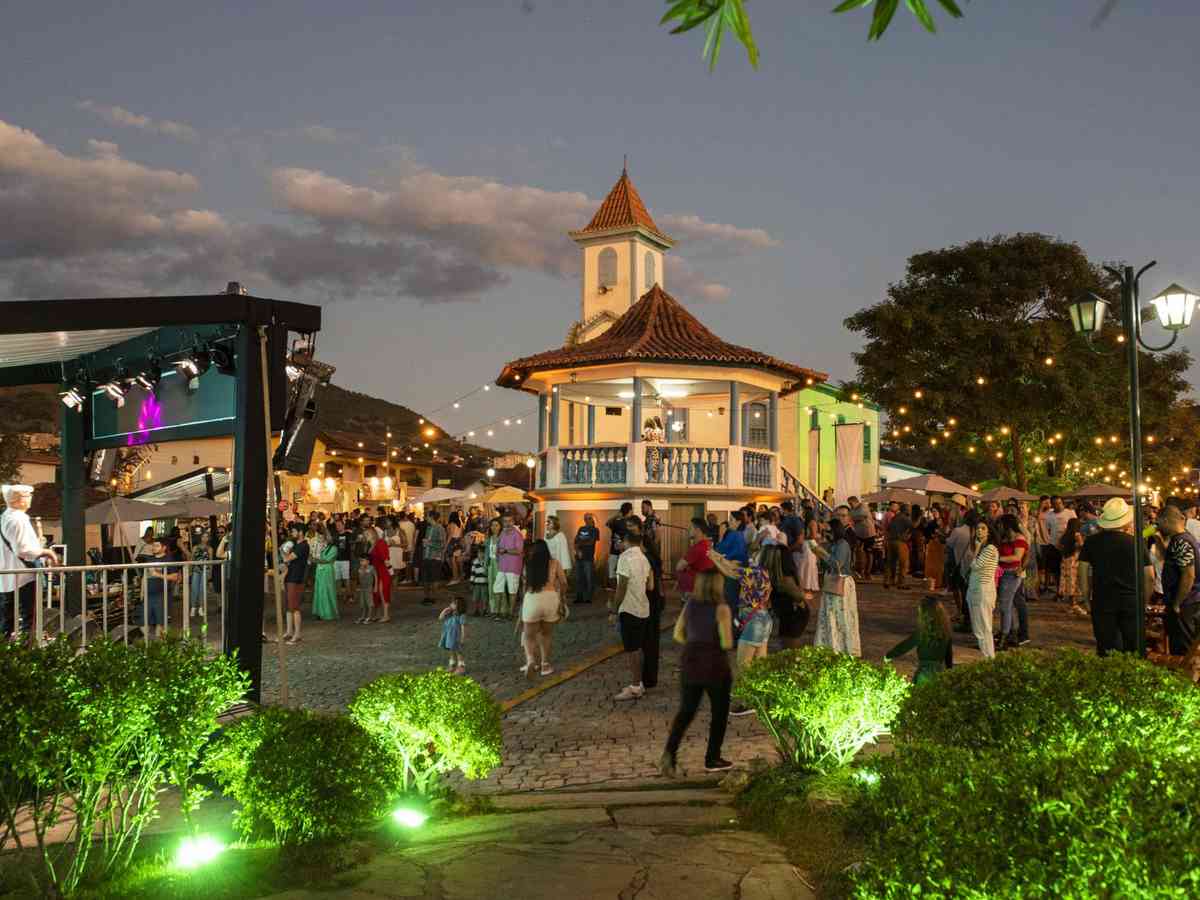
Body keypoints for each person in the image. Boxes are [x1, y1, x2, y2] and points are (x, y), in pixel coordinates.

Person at [660, 570, 735, 777]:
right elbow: (726, 642)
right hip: (714, 664)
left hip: (691, 660)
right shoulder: (721, 608)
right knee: (719, 713)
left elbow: (677, 634)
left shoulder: (690, 605)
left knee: (686, 711)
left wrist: (695, 643)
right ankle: (712, 757)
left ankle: (670, 752)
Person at [1078, 498, 1154, 657]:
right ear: (1126, 522)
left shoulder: (1091, 542)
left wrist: (1086, 599)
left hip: (1102, 599)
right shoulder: (1136, 543)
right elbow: (1150, 577)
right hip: (1132, 601)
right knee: (1133, 648)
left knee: (1107, 648)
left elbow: (1083, 573)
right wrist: (1144, 601)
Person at [0, 485, 57, 641]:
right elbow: (23, 550)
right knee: (29, 619)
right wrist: (46, 552)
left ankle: (8, 655)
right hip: (24, 576)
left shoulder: (4, 517)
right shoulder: (19, 519)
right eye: (28, 496)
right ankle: (27, 653)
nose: (30, 498)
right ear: (21, 500)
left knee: (6, 620)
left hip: (7, 577)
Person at [611, 530, 654, 701]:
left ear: (626, 540)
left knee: (632, 650)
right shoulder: (644, 558)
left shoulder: (625, 558)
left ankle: (636, 686)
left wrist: (614, 609)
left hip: (629, 608)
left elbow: (621, 586)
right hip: (643, 608)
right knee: (638, 648)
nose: (617, 543)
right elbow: (650, 586)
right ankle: (639, 682)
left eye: (618, 540)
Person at [1156, 500, 1200, 656]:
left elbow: (1189, 575)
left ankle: (1184, 679)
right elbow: (1172, 560)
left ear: (1166, 521)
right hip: (1188, 602)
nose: (1158, 527)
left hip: (1185, 604)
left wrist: (1177, 603)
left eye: (1158, 523)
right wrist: (1159, 542)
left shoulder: (1181, 541)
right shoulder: (1182, 539)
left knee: (1183, 650)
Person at [812, 519, 861, 656]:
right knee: (830, 615)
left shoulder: (843, 544)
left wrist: (822, 553)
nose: (826, 534)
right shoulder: (834, 544)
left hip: (841, 583)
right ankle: (831, 645)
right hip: (832, 582)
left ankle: (842, 647)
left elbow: (837, 563)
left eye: (829, 531)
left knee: (840, 616)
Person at [520, 539, 567, 677]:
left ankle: (530, 660)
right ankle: (545, 665)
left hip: (532, 598)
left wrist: (523, 605)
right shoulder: (555, 563)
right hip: (550, 598)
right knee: (546, 634)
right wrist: (562, 599)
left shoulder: (528, 564)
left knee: (529, 635)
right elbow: (564, 583)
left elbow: (524, 585)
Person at [884, 594, 954, 684]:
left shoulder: (922, 633)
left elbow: (905, 645)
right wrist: (949, 671)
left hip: (925, 672)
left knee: (921, 694)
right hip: (940, 671)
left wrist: (889, 655)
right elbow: (949, 655)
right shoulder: (945, 631)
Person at [965, 520, 999, 658]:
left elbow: (975, 565)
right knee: (977, 627)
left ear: (989, 531)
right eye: (978, 528)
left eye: (983, 528)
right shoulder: (982, 548)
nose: (979, 531)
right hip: (975, 589)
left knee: (985, 626)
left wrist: (977, 549)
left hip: (984, 590)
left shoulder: (990, 548)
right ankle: (986, 657)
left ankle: (990, 658)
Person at [996, 514, 1030, 650]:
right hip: (1004, 573)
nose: (999, 526)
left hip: (1012, 574)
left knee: (1005, 606)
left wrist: (998, 558)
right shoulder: (1006, 538)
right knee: (1007, 606)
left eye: (1001, 524)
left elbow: (1017, 557)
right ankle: (1009, 634)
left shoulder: (1019, 538)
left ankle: (1005, 636)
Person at [143, 539, 181, 641]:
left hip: (162, 594)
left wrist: (157, 574)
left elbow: (175, 577)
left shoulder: (169, 559)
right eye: (153, 545)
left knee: (161, 622)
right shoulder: (149, 559)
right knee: (144, 621)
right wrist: (142, 592)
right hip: (149, 594)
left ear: (164, 547)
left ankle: (161, 646)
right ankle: (150, 645)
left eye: (157, 546)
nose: (154, 547)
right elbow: (144, 576)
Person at [1041, 495, 1076, 600]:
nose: (1058, 505)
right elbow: (1047, 530)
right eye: (1055, 504)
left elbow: (1075, 527)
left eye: (1060, 503)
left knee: (1070, 570)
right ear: (1052, 504)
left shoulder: (1070, 513)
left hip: (1068, 546)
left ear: (1063, 503)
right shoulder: (1049, 515)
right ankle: (1059, 591)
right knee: (1056, 570)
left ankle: (1071, 593)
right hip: (1054, 545)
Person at [675, 518, 714, 601]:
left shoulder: (698, 548)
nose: (688, 530)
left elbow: (678, 567)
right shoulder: (706, 544)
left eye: (690, 528)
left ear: (697, 530)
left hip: (695, 589)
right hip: (703, 586)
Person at [494, 513, 524, 616]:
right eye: (505, 521)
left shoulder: (517, 534)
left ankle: (510, 613)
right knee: (497, 588)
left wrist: (506, 551)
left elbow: (519, 551)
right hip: (502, 567)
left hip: (513, 567)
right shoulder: (502, 533)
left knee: (512, 590)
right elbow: (498, 548)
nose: (507, 523)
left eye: (509, 521)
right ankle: (497, 611)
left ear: (513, 522)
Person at [1059, 517, 1086, 617]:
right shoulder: (1077, 534)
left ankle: (1070, 605)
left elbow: (1059, 545)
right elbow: (1082, 545)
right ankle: (1074, 605)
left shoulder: (1065, 535)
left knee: (1068, 582)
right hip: (1074, 560)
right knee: (1074, 582)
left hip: (1065, 560)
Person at [884, 502, 913, 590]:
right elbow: (913, 527)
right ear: (906, 510)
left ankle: (888, 581)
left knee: (890, 563)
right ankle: (901, 583)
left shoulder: (895, 517)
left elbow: (888, 528)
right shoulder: (906, 518)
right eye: (909, 509)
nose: (910, 511)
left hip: (891, 541)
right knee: (903, 563)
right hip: (900, 542)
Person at [312, 527, 339, 621]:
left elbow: (326, 560)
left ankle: (328, 613)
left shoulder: (333, 548)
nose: (320, 538)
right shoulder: (320, 545)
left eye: (322, 536)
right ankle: (319, 612)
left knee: (326, 590)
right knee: (319, 590)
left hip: (327, 570)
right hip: (319, 570)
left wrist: (314, 559)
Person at [606, 502, 634, 590]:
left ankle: (614, 594)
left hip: (614, 551)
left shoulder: (616, 522)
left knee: (612, 575)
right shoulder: (631, 523)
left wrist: (617, 515)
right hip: (626, 553)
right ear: (629, 511)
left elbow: (607, 523)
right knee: (624, 575)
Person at [421, 510, 446, 606]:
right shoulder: (428, 528)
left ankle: (433, 597)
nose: (425, 518)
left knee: (434, 579)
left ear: (431, 517)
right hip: (426, 556)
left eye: (427, 516)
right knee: (425, 579)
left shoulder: (440, 528)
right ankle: (427, 597)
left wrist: (429, 543)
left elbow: (442, 544)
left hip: (435, 557)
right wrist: (425, 544)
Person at [573, 513, 600, 604]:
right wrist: (577, 550)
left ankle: (588, 597)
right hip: (578, 557)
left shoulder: (595, 530)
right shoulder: (581, 529)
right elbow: (575, 541)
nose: (587, 520)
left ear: (592, 519)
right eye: (586, 518)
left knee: (589, 578)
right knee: (578, 578)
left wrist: (579, 545)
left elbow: (591, 542)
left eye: (589, 518)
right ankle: (579, 597)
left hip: (588, 557)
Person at [438, 595, 468, 674]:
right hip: (448, 636)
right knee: (451, 651)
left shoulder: (461, 616)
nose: (451, 604)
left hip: (456, 637)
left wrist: (462, 638)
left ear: (459, 606)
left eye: (453, 603)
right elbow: (440, 618)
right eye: (451, 603)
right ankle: (452, 665)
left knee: (459, 652)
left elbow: (463, 627)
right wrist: (444, 611)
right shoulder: (449, 614)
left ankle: (461, 667)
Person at [544, 515, 573, 581]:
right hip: (547, 564)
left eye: (549, 522)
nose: (547, 524)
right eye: (546, 522)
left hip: (557, 565)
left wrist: (563, 568)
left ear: (555, 524)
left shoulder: (560, 536)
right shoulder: (546, 535)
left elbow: (564, 553)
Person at [468, 542, 489, 617]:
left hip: (484, 583)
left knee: (484, 598)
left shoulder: (486, 562)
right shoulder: (475, 562)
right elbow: (473, 573)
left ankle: (484, 610)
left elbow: (487, 572)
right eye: (479, 553)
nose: (480, 555)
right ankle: (476, 610)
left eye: (482, 553)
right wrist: (471, 583)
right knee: (476, 598)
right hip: (477, 583)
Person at [355, 555, 377, 625]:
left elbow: (376, 577)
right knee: (362, 603)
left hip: (369, 588)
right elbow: (359, 578)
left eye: (362, 561)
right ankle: (363, 616)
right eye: (360, 561)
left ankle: (369, 617)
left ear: (368, 561)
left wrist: (375, 586)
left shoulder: (371, 568)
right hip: (362, 588)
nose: (361, 563)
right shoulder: (360, 569)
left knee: (369, 603)